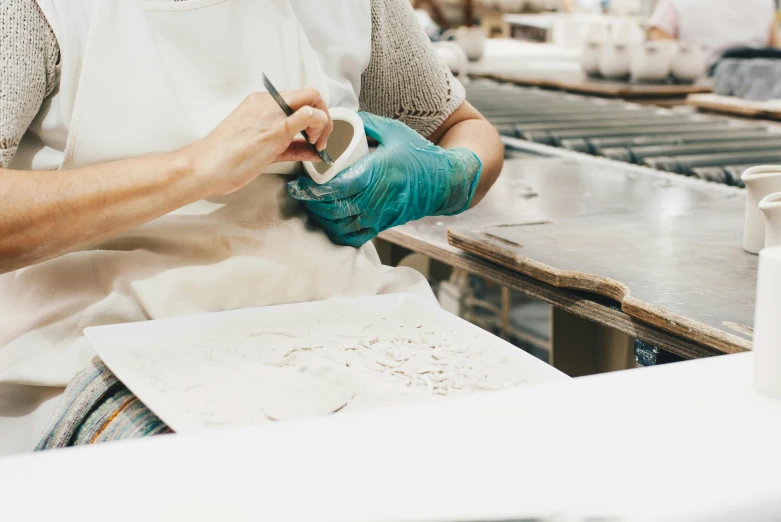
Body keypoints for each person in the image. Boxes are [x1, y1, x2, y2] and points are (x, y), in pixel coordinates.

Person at [0, 0, 504, 454]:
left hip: (347, 330)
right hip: (105, 355)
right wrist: (194, 169)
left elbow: (465, 128)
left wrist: (449, 174)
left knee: (514, 459)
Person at [647, 0, 781, 68]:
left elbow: (659, 50)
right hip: (760, 85)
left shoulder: (676, 2)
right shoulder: (765, 2)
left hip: (703, 86)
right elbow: (775, 46)